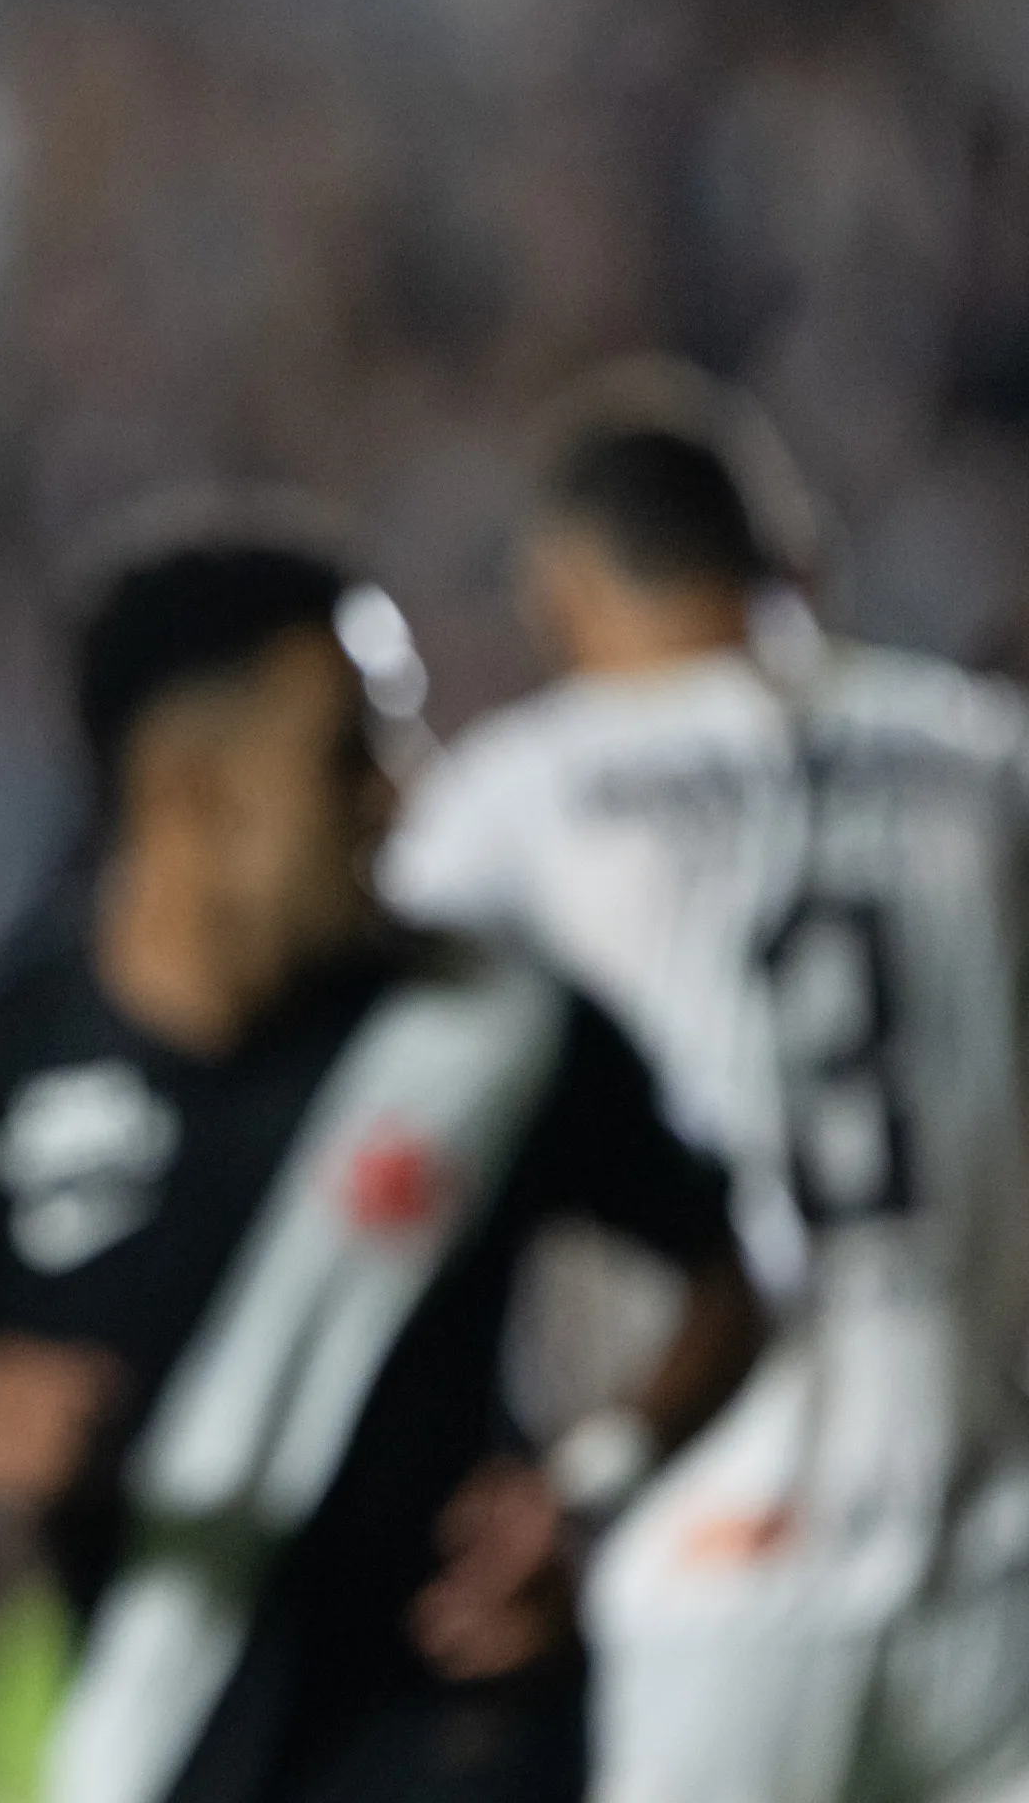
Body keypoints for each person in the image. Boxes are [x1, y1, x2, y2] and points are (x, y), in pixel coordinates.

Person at [0, 540, 764, 1803]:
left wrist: (593, 1489)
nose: (404, 792)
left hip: (477, 1735)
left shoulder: (493, 1028)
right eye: (352, 750)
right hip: (170, 1748)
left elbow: (731, 1273)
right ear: (193, 792)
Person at [382, 369, 1029, 1803]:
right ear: (790, 564)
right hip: (993, 1538)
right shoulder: (981, 756)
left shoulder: (529, 796)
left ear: (565, 591)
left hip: (710, 1545)